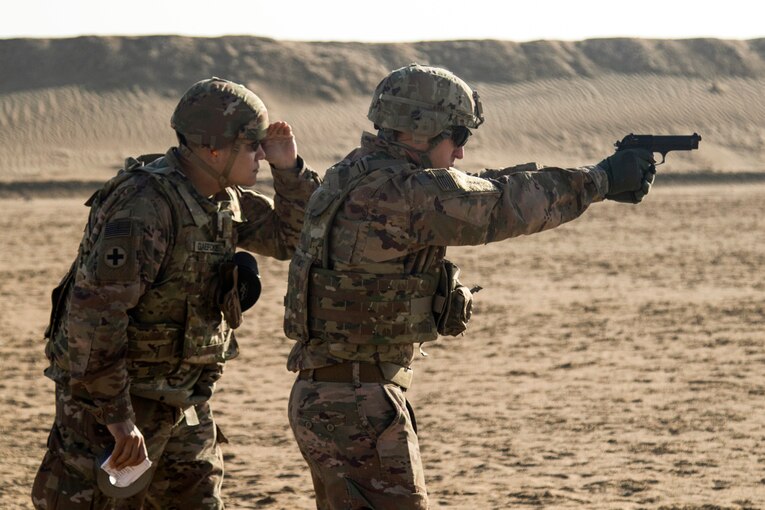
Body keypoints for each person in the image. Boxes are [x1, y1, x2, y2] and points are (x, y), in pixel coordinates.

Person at [282, 63, 655, 509]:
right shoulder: (402, 193)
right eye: (457, 136)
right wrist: (600, 180)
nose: (459, 153)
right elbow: (499, 206)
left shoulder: (355, 174)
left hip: (336, 394)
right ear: (421, 131)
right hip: (356, 401)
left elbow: (472, 188)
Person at [32, 77, 321, 509]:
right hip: (117, 407)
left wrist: (288, 169)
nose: (260, 154)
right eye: (253, 146)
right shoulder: (147, 205)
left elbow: (292, 238)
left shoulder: (222, 199)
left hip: (183, 402)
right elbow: (95, 317)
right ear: (213, 149)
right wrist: (118, 418)